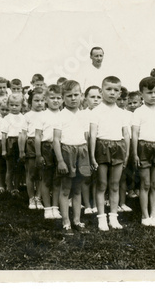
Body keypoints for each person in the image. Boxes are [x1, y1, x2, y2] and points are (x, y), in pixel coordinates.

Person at [89, 76, 130, 231]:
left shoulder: (122, 113)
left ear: (120, 92)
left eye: (116, 90)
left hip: (118, 147)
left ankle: (113, 217)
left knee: (115, 185)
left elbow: (126, 134)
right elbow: (93, 134)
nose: (112, 93)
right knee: (101, 184)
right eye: (108, 89)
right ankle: (101, 218)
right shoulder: (96, 111)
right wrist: (92, 155)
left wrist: (126, 153)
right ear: (101, 91)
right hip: (101, 146)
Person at [131, 77, 155, 227]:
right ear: (142, 94)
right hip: (144, 147)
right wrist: (135, 153)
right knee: (145, 183)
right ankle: (145, 216)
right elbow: (135, 133)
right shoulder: (139, 112)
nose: (153, 95)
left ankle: (154, 215)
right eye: (149, 92)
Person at [53, 80, 90, 234]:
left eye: (76, 95)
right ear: (62, 98)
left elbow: (87, 136)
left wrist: (88, 155)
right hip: (67, 152)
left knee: (78, 189)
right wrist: (61, 160)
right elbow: (56, 139)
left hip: (81, 151)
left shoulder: (84, 115)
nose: (73, 98)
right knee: (65, 189)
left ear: (81, 96)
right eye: (69, 96)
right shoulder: (60, 116)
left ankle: (77, 220)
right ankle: (66, 222)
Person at [34, 84, 63, 219]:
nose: (55, 101)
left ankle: (55, 207)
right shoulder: (41, 116)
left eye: (58, 98)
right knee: (46, 179)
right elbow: (38, 136)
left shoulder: (64, 115)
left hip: (61, 148)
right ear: (46, 99)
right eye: (52, 98)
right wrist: (39, 154)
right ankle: (47, 208)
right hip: (46, 147)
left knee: (57, 179)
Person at [19, 87, 46, 210]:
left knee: (42, 173)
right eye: (36, 100)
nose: (40, 103)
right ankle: (31, 197)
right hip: (31, 144)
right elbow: (23, 134)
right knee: (31, 173)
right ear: (30, 102)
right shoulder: (27, 116)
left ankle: (38, 197)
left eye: (42, 100)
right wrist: (21, 150)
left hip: (43, 144)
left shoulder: (47, 114)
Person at [81, 85, 102, 214]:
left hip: (99, 146)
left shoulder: (103, 113)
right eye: (92, 97)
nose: (95, 100)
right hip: (84, 146)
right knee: (85, 176)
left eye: (99, 97)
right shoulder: (83, 114)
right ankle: (87, 204)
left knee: (98, 177)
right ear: (86, 98)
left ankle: (95, 203)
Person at [1, 94, 26, 194]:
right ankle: (9, 187)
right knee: (10, 167)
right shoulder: (7, 118)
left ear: (21, 105)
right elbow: (3, 135)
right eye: (11, 105)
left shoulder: (23, 117)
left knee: (19, 166)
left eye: (17, 105)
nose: (14, 107)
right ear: (8, 105)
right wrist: (3, 149)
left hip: (21, 142)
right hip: (10, 142)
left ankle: (16, 186)